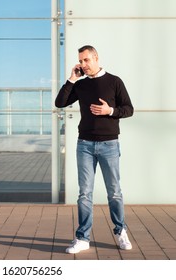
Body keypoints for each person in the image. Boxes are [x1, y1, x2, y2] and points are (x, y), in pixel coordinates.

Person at [55, 45, 134, 254]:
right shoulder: (80, 86)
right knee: (84, 194)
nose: (83, 65)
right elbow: (60, 102)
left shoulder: (114, 81)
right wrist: (72, 79)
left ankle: (120, 232)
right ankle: (82, 238)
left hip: (109, 144)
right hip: (85, 146)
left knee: (114, 192)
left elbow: (129, 109)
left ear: (96, 58)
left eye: (86, 60)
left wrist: (110, 111)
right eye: (80, 61)